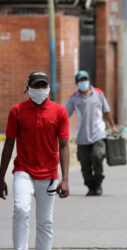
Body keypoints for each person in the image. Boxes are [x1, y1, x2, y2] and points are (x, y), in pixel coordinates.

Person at [0, 70, 70, 249]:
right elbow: (8, 144)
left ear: (49, 88)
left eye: (43, 86)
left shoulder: (59, 112)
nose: (39, 89)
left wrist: (66, 179)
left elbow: (63, 146)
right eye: (36, 86)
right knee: (21, 210)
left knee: (45, 220)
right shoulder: (17, 111)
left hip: (49, 175)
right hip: (24, 171)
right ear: (28, 88)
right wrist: (0, 178)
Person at [65, 71, 118, 196]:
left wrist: (113, 126)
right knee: (85, 164)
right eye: (80, 80)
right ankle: (90, 186)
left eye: (85, 79)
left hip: (98, 134)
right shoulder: (73, 98)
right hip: (82, 136)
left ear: (89, 80)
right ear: (76, 83)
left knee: (97, 156)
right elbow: (65, 114)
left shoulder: (98, 94)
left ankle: (98, 182)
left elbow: (106, 111)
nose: (83, 82)